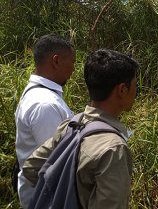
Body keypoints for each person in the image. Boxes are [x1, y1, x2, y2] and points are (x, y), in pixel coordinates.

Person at [23, 49, 139, 208]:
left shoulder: (72, 124)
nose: (136, 92)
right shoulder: (113, 149)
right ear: (122, 90)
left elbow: (31, 168)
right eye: (134, 85)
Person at [15, 34, 75, 208]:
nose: (73, 69)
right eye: (72, 61)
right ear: (56, 61)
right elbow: (58, 162)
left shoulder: (39, 95)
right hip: (47, 200)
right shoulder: (45, 104)